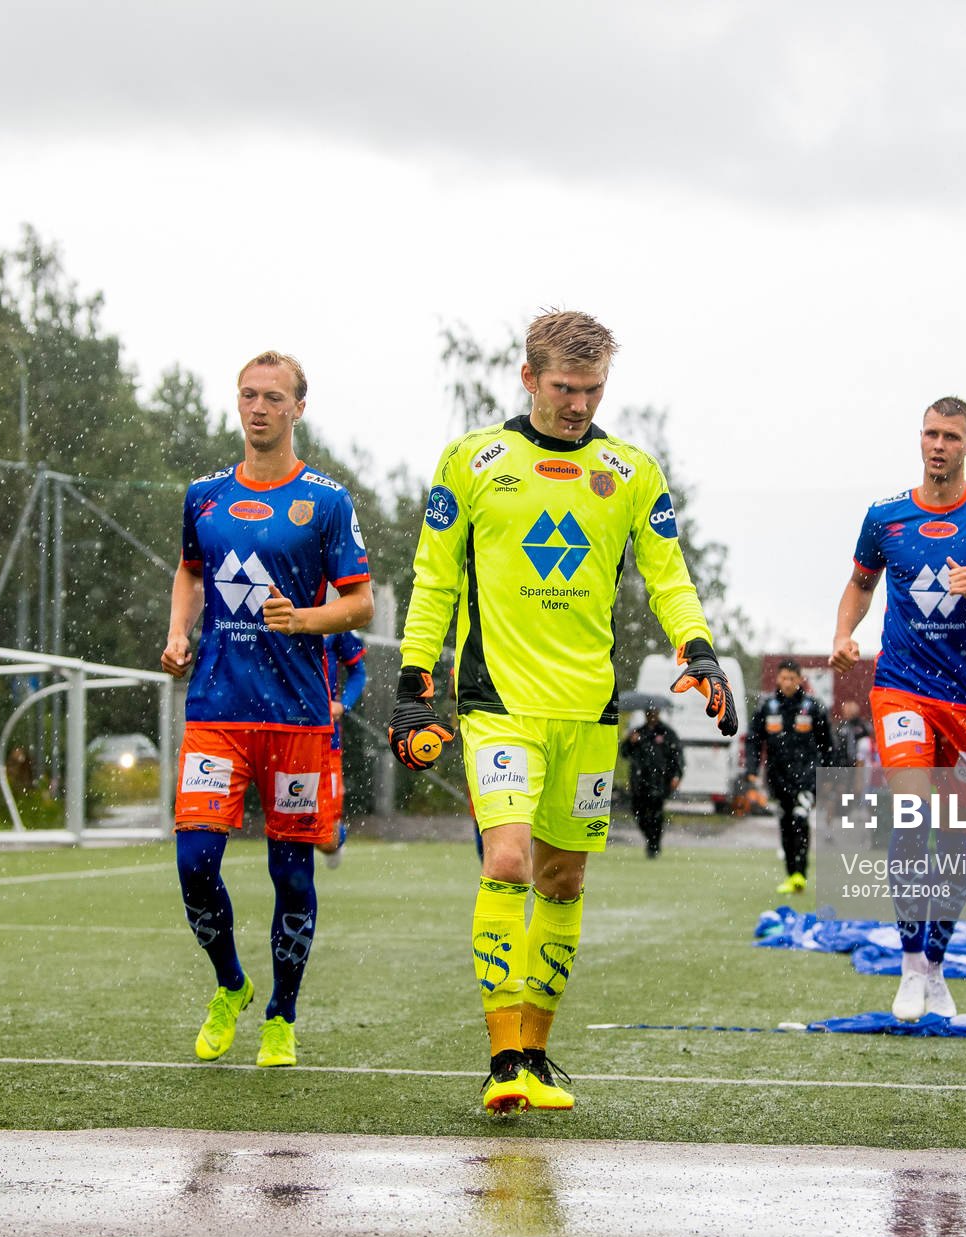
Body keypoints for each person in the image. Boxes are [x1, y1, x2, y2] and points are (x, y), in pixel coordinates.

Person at [389, 310, 737, 1115]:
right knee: (508, 858)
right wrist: (413, 686)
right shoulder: (472, 460)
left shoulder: (631, 471)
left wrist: (699, 650)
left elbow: (669, 576)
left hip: (587, 710)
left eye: (592, 390)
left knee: (563, 879)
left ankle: (538, 1057)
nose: (579, 405)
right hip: (499, 702)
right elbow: (435, 580)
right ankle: (502, 1059)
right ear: (528, 377)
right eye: (564, 387)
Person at [160, 350, 373, 1071]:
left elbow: (360, 604)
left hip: (297, 717)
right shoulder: (204, 496)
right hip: (216, 709)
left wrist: (304, 619)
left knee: (292, 875)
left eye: (274, 398)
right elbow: (191, 570)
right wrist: (178, 632)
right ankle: (231, 983)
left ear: (298, 409)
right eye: (249, 395)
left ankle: (282, 1014)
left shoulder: (326, 501)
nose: (259, 407)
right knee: (195, 863)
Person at [831, 396, 966, 1023]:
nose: (938, 445)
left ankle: (935, 963)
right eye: (930, 433)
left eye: (951, 436)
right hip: (900, 688)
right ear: (919, 438)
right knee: (911, 814)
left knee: (956, 837)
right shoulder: (885, 516)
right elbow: (860, 583)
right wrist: (844, 633)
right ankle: (907, 963)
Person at [744, 659, 840, 894]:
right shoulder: (768, 707)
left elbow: (827, 744)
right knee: (786, 823)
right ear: (778, 679)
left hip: (807, 776)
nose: (787, 683)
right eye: (784, 678)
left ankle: (800, 873)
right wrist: (752, 770)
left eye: (792, 678)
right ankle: (791, 874)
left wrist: (829, 775)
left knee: (799, 818)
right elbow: (754, 741)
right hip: (778, 778)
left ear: (799, 680)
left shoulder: (812, 707)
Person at [317, 627, 367, 869]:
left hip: (327, 738)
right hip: (284, 731)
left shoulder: (336, 621)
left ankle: (335, 836)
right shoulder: (277, 615)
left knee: (328, 838)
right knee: (289, 825)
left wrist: (343, 705)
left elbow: (358, 672)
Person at [622, 702, 684, 859]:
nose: (651, 715)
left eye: (654, 712)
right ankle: (651, 840)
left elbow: (677, 756)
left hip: (659, 780)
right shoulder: (638, 732)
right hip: (639, 781)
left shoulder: (667, 733)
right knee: (638, 812)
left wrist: (677, 775)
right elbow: (624, 753)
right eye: (649, 712)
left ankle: (654, 844)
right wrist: (630, 741)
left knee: (656, 814)